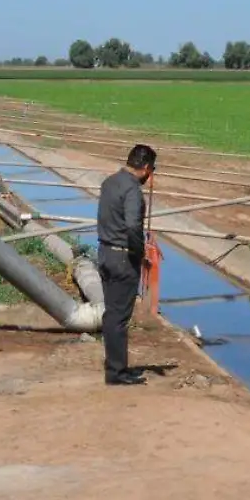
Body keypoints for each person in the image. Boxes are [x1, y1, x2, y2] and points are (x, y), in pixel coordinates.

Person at [96, 143, 157, 385]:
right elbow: (132, 225)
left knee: (111, 313)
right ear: (145, 168)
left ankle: (116, 366)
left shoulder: (109, 182)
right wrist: (139, 252)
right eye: (152, 169)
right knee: (119, 317)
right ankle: (116, 372)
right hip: (123, 257)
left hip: (105, 253)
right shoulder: (132, 190)